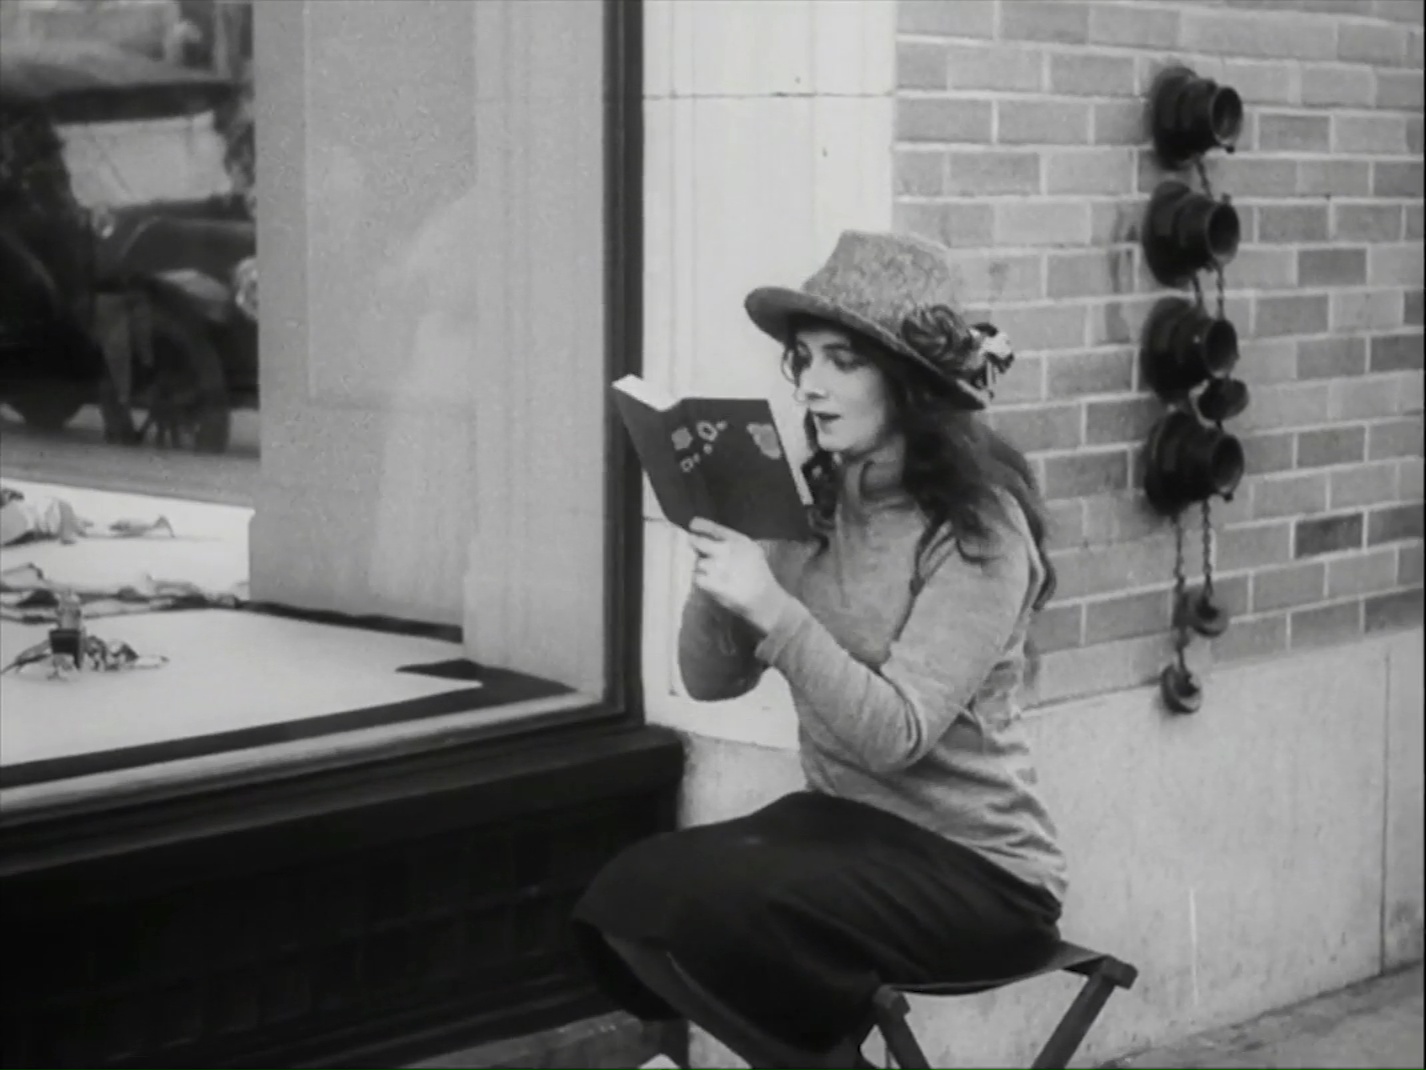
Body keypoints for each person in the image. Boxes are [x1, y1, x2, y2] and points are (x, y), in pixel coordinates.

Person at [571, 230, 1067, 1056]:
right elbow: (709, 682)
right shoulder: (817, 508)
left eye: (844, 361)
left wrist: (775, 611)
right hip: (845, 833)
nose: (811, 385)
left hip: (979, 872)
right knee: (624, 897)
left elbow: (896, 735)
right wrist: (719, 562)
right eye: (803, 359)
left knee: (725, 910)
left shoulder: (979, 532)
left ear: (908, 382)